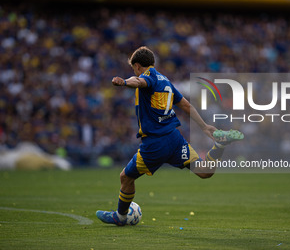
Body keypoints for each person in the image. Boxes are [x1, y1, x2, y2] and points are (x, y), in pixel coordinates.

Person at [96, 46, 244, 226]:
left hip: (155, 144)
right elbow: (186, 105)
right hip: (175, 139)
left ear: (137, 66)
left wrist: (124, 82)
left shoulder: (147, 76)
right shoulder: (165, 81)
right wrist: (204, 127)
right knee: (204, 171)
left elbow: (139, 82)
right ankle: (219, 146)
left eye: (134, 69)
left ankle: (120, 217)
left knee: (125, 177)